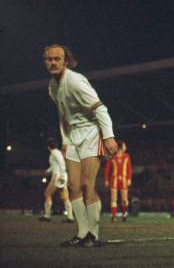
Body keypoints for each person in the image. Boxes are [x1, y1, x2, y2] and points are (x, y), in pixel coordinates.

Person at [44, 44, 118, 247]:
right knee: (73, 186)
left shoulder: (75, 81)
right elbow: (64, 116)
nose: (53, 62)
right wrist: (66, 139)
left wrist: (108, 137)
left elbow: (100, 109)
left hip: (91, 134)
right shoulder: (52, 86)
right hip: (71, 138)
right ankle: (82, 233)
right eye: (49, 59)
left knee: (87, 185)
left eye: (57, 59)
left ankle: (93, 235)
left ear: (66, 61)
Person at [39, 137, 74, 223]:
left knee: (47, 194)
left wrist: (61, 175)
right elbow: (55, 165)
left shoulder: (54, 153)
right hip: (62, 176)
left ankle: (47, 216)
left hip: (58, 177)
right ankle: (70, 217)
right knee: (65, 197)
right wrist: (47, 171)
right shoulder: (56, 152)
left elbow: (61, 163)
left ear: (48, 146)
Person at [104, 140, 132, 222]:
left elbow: (129, 169)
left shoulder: (127, 156)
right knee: (113, 199)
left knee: (124, 200)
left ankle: (124, 214)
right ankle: (114, 216)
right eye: (124, 146)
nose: (126, 147)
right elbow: (107, 169)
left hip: (123, 180)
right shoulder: (112, 157)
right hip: (114, 179)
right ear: (121, 147)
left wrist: (129, 179)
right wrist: (106, 180)